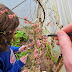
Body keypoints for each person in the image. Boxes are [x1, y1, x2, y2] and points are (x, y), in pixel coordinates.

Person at [0, 4, 28, 72]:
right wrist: (18, 65)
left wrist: (18, 49)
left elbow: (7, 48)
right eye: (12, 31)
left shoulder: (3, 42)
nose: (15, 32)